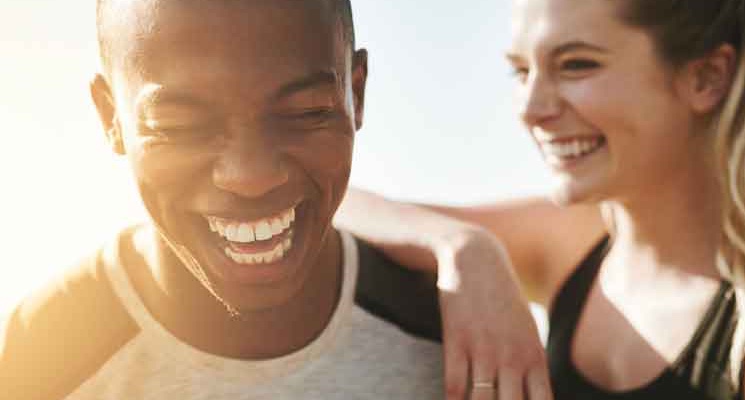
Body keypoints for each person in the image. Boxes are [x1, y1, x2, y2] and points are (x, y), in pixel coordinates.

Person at [338, 0, 745, 398]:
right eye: (521, 71)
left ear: (706, 78)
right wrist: (460, 247)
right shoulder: (572, 244)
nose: (531, 107)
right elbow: (333, 204)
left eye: (577, 65)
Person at [0, 1, 549, 398]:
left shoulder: (455, 339)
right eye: (179, 125)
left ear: (355, 92)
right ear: (110, 117)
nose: (250, 176)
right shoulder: (47, 352)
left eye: (305, 113)